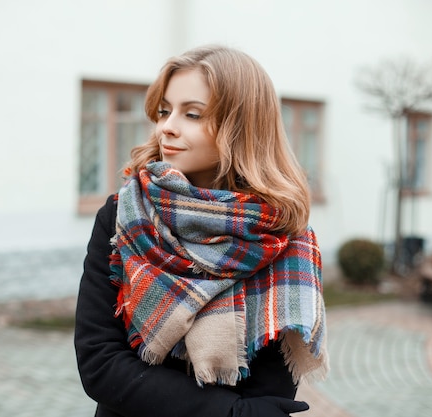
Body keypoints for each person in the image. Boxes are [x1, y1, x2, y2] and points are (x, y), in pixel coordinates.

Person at [74, 45, 329, 417]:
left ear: (240, 126)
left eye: (192, 114)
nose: (166, 126)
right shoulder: (124, 215)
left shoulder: (285, 236)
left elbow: (271, 390)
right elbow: (100, 362)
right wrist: (230, 412)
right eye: (164, 111)